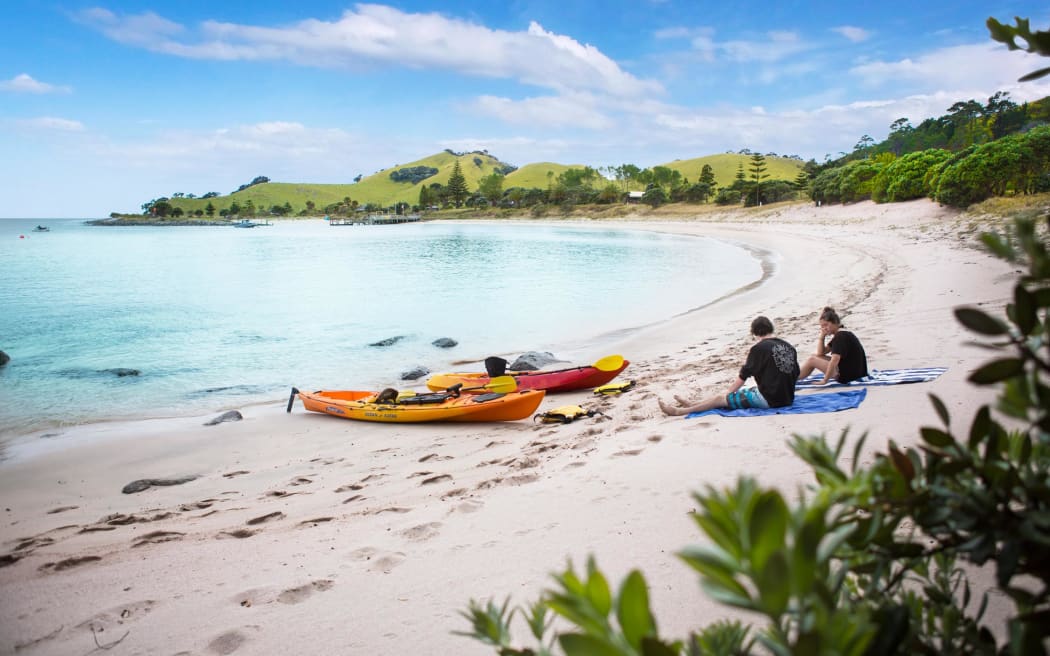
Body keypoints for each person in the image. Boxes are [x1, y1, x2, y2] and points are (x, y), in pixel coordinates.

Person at [659, 316, 799, 416]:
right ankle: (693, 403)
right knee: (738, 393)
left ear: (754, 333)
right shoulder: (788, 346)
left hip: (772, 400)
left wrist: (728, 393)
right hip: (787, 397)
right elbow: (796, 373)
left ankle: (680, 412)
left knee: (720, 399)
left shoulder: (759, 349)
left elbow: (743, 375)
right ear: (771, 329)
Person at [797, 306, 868, 385]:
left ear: (835, 322)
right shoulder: (843, 333)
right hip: (857, 372)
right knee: (815, 356)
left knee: (812, 360)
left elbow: (835, 360)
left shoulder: (840, 337)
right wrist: (822, 337)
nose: (824, 328)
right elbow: (821, 353)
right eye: (822, 326)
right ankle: (794, 377)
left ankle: (793, 378)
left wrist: (825, 380)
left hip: (849, 376)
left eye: (826, 325)